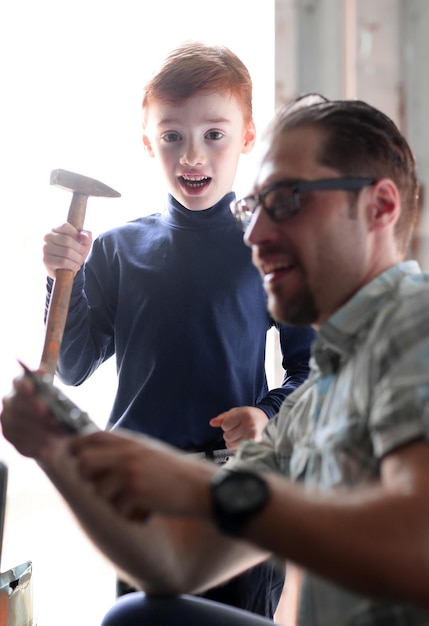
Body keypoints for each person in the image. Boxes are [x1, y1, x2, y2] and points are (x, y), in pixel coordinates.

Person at [4, 94, 429, 626]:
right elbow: (178, 563)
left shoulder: (417, 320)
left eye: (287, 200)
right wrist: (58, 449)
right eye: (252, 208)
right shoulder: (313, 402)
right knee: (135, 614)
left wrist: (191, 485)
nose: (252, 235)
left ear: (380, 207)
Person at [40, 41, 315, 617]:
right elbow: (71, 365)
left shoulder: (269, 248)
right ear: (148, 142)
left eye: (214, 134)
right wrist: (62, 277)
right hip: (139, 493)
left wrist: (266, 412)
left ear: (246, 137)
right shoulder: (114, 250)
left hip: (234, 489)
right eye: (172, 136)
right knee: (144, 620)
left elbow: (311, 370)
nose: (192, 155)